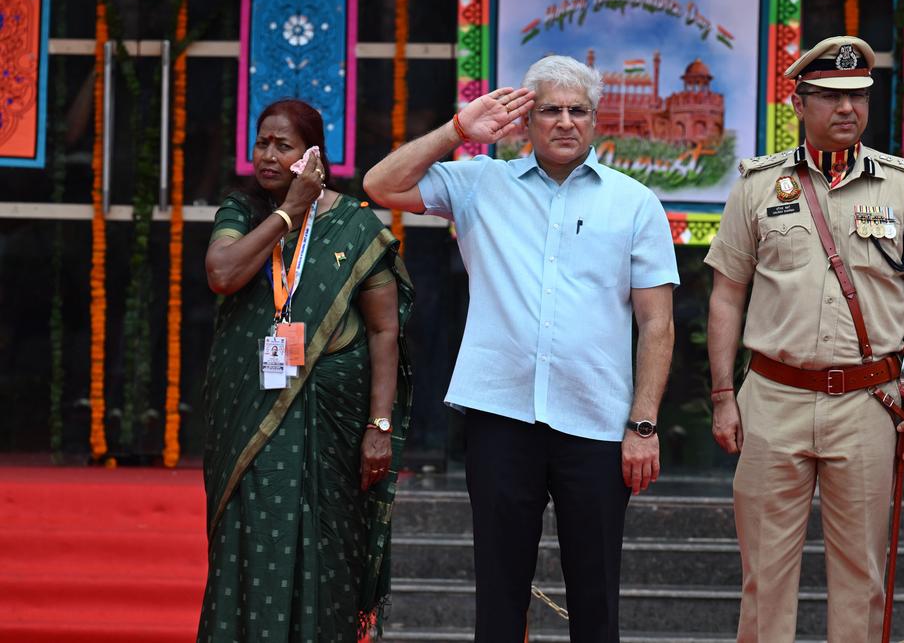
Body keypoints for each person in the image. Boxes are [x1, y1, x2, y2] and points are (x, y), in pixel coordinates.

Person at [363, 55, 679, 642]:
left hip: (598, 423)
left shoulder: (634, 203)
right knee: (500, 597)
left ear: (596, 120)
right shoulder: (482, 182)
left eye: (577, 110)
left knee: (596, 598)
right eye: (551, 110)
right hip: (501, 418)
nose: (565, 122)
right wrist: (457, 132)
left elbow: (657, 324)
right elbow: (380, 184)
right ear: (526, 120)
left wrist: (643, 424)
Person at [704, 36, 904, 642]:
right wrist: (721, 394)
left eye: (859, 97)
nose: (848, 109)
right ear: (798, 101)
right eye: (831, 96)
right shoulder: (758, 185)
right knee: (764, 577)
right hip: (773, 396)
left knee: (862, 579)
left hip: (867, 404)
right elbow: (725, 294)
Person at [198, 99, 415, 642]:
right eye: (262, 143)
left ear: (312, 155)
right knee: (253, 545)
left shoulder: (355, 226)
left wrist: (379, 426)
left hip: (335, 426)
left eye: (283, 145)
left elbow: (385, 331)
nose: (267, 155)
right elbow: (222, 273)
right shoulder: (241, 211)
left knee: (327, 551)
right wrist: (287, 214)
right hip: (251, 417)